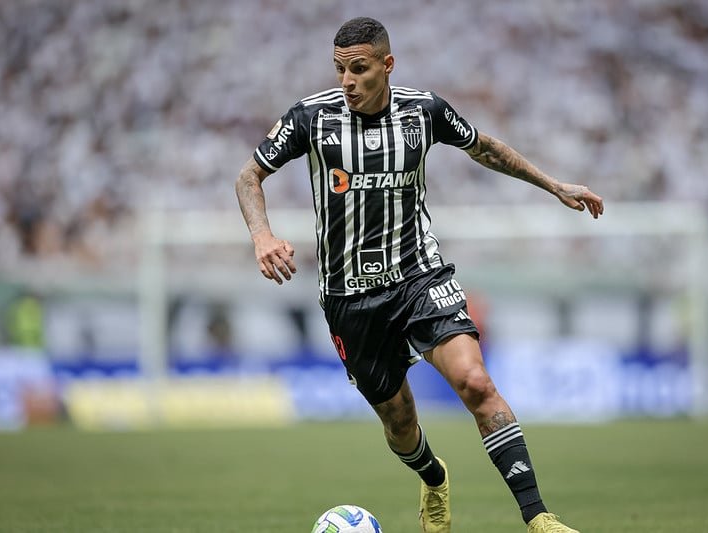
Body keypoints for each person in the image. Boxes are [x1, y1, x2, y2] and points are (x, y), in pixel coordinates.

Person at [235, 17, 603, 533]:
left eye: (359, 69)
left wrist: (552, 184)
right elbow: (249, 175)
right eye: (340, 69)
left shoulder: (424, 111)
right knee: (400, 421)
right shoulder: (310, 119)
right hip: (349, 298)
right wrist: (261, 235)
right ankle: (433, 478)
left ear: (387, 65)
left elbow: (486, 147)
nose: (347, 81)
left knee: (476, 382)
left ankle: (538, 517)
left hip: (418, 277)